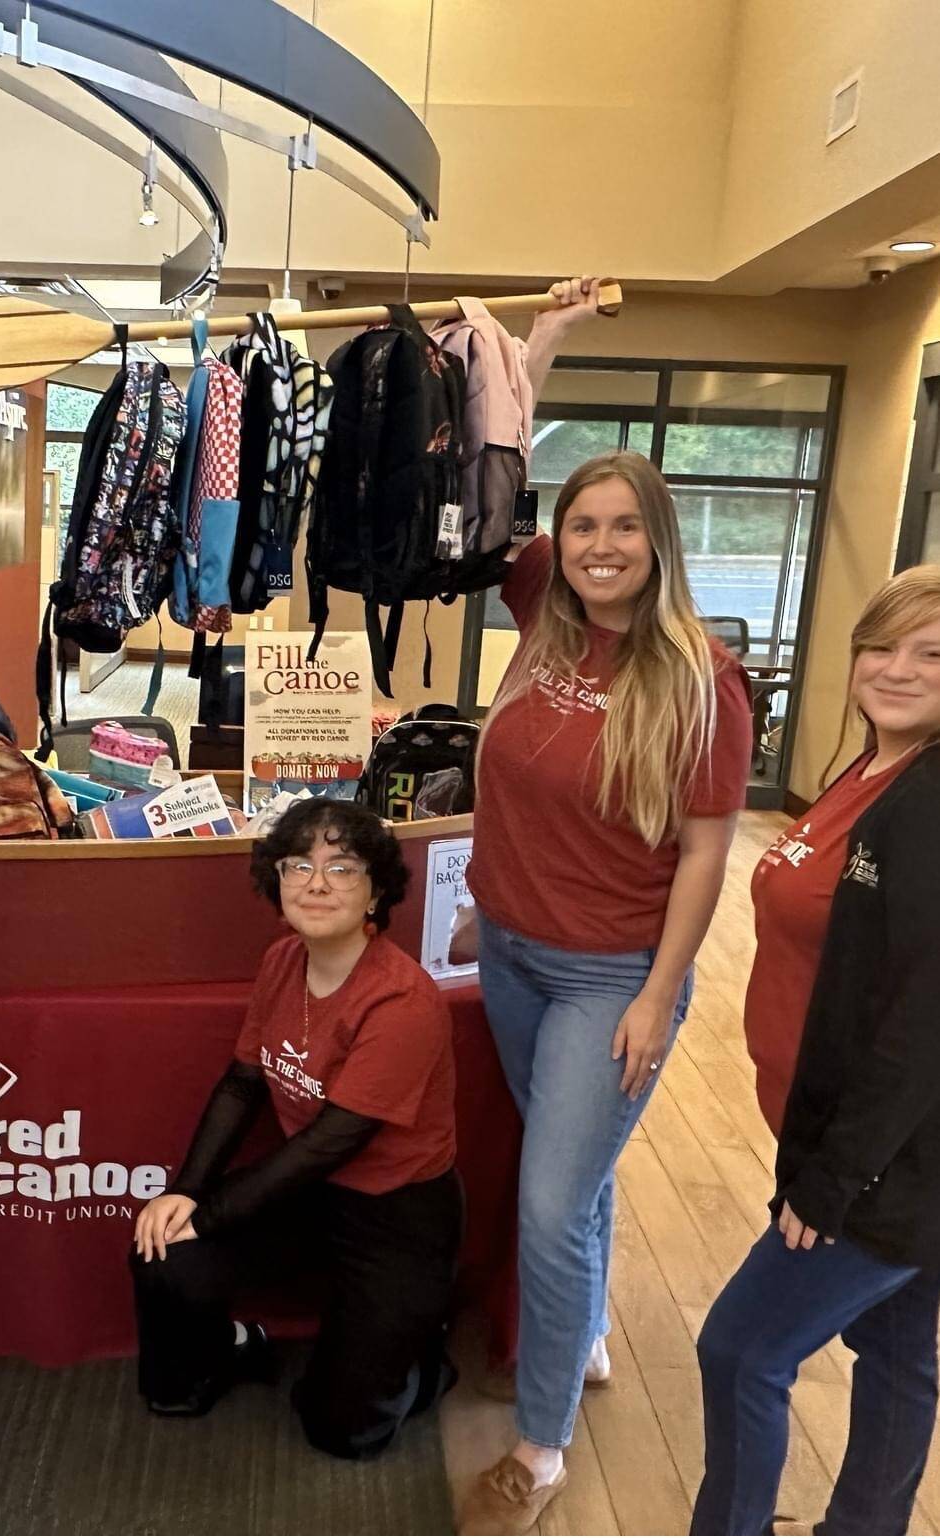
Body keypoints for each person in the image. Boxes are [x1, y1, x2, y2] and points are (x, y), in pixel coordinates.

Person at [460, 279, 753, 1534]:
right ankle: (580, 1327)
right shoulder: (538, 611)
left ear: (658, 542)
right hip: (515, 953)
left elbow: (703, 853)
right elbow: (499, 472)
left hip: (604, 974)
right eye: (583, 523)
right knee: (571, 1173)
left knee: (544, 1195)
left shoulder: (699, 685)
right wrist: (541, 349)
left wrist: (651, 994)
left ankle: (537, 1448)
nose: (595, 545)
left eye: (623, 528)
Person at [692, 566, 940, 1535]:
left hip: (882, 1159)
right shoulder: (874, 768)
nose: (894, 667)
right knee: (897, 1347)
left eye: (930, 653)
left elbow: (923, 1022)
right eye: (880, 644)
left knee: (740, 1348)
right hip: (843, 1132)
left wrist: (833, 1176)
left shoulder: (925, 802)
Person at [130, 798, 461, 1460]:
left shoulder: (404, 1000)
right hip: (310, 1194)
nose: (315, 882)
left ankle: (419, 1356)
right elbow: (241, 1083)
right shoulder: (283, 960)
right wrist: (187, 1194)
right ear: (275, 880)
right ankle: (229, 1352)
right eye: (298, 864)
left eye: (342, 866)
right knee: (165, 1250)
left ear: (376, 891)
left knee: (343, 1430)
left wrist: (215, 1212)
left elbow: (331, 1142)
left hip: (397, 1214)